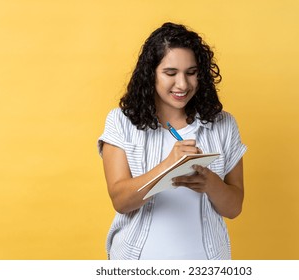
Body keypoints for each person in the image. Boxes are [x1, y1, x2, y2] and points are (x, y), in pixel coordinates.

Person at [98, 22, 247, 260]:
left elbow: (234, 208)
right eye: (170, 73)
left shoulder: (223, 125)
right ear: (151, 74)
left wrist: (209, 182)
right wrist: (168, 166)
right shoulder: (121, 122)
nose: (183, 84)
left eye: (191, 73)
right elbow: (121, 200)